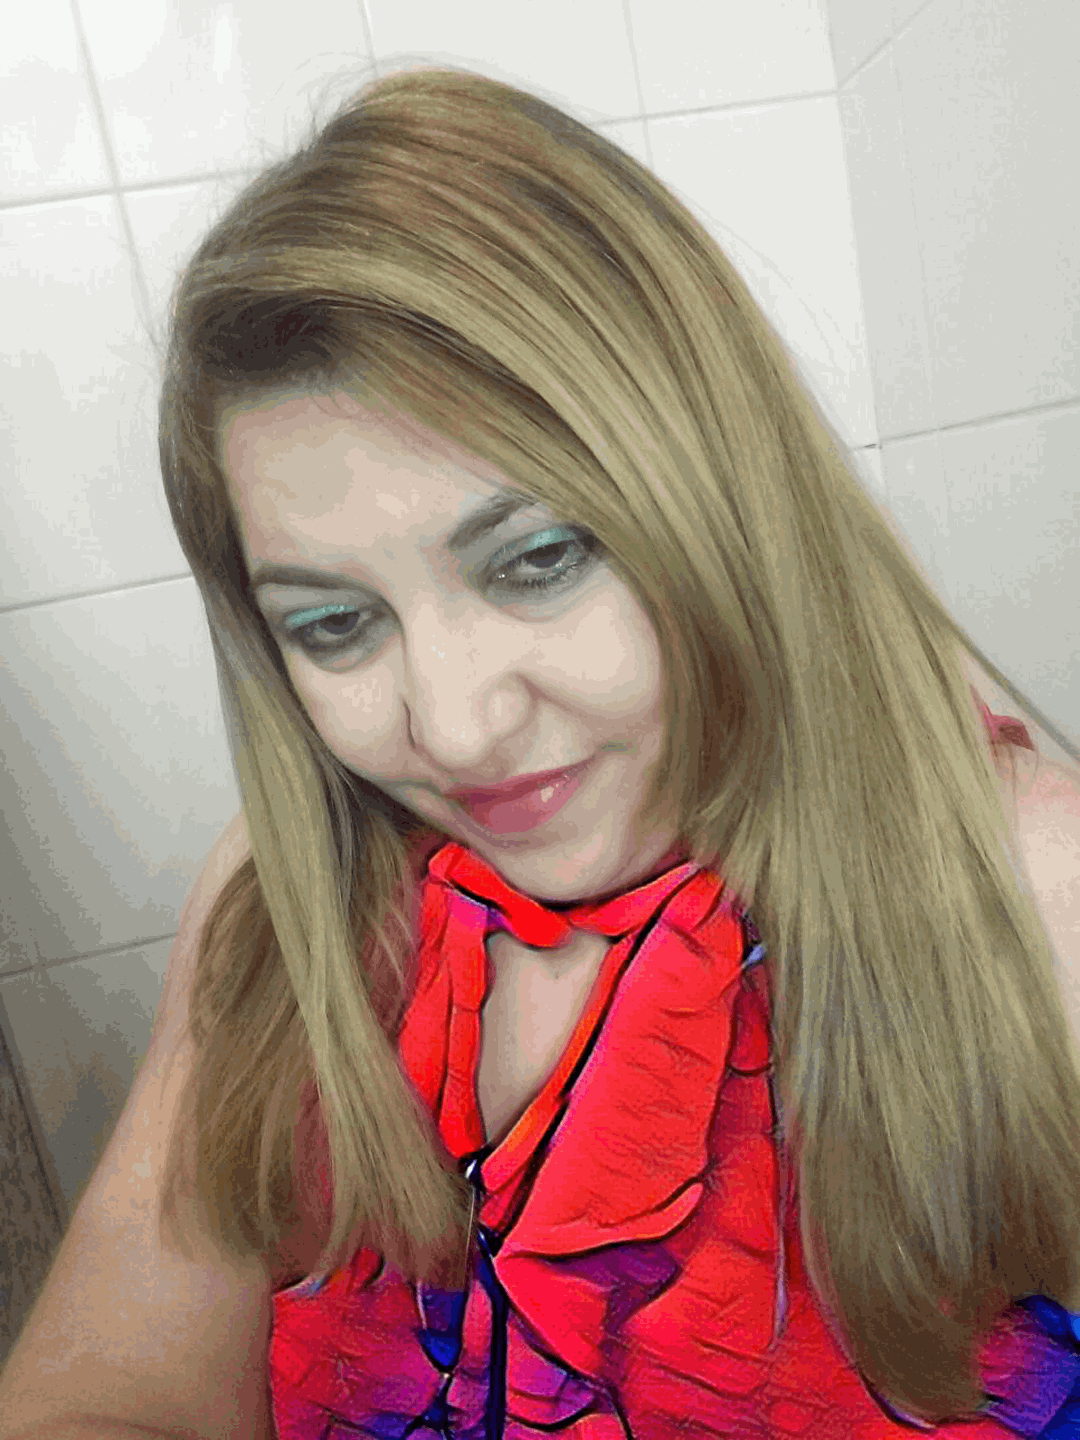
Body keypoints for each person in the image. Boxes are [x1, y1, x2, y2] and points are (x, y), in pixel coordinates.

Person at [3, 63, 1079, 1440]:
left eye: (539, 559)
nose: (455, 727)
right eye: (334, 625)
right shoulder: (293, 905)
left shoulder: (1027, 889)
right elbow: (112, 1392)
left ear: (719, 495)